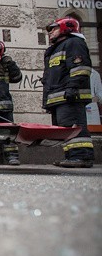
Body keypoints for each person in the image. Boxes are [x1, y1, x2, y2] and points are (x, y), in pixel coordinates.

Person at [42, 17, 94, 168]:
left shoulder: (74, 43)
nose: (50, 32)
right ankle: (72, 157)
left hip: (70, 96)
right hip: (60, 97)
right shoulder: (57, 48)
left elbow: (81, 69)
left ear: (67, 27)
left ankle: (82, 157)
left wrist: (72, 88)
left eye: (53, 28)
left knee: (75, 127)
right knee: (66, 128)